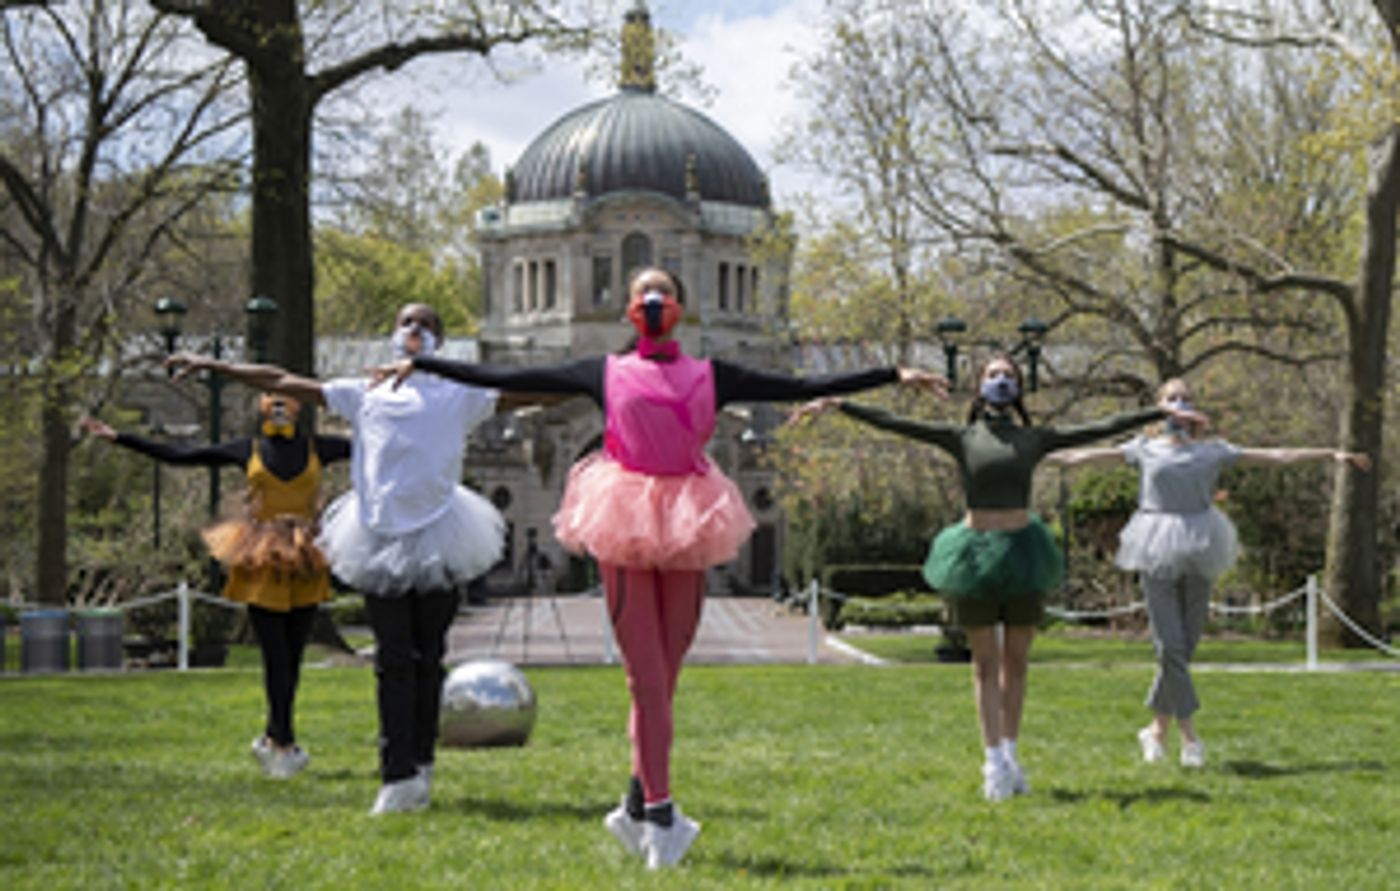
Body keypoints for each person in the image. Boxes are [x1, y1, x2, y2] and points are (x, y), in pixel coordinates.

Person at [383, 266, 946, 868]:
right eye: (644, 292)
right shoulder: (603, 371)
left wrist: (892, 373)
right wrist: (427, 365)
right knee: (645, 679)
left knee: (665, 680)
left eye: (666, 292)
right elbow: (506, 374)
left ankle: (631, 808)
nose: (654, 301)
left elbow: (802, 384)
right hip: (622, 516)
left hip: (690, 518)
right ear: (630, 308)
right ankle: (661, 819)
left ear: (681, 304)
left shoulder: (713, 374)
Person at [166, 303, 529, 815]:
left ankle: (421, 764)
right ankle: (396, 775)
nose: (415, 330)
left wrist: (605, 377)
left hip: (442, 534)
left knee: (429, 658)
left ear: (441, 342)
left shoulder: (460, 394)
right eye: (406, 321)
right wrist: (215, 366)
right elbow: (281, 378)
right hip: (378, 535)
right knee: (392, 659)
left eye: (427, 325)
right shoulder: (364, 393)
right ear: (392, 334)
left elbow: (533, 389)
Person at [795, 354, 1205, 802]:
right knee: (985, 664)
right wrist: (838, 404)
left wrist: (1158, 412)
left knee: (1018, 664)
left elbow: (1098, 427)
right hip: (973, 557)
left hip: (1023, 555)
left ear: (1020, 387)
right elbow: (895, 422)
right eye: (993, 375)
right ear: (979, 387)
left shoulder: (1034, 438)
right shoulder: (963, 437)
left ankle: (1011, 756)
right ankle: (992, 762)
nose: (1001, 381)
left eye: (1008, 375)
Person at [1045, 377, 1369, 768]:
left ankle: (1156, 730)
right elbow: (1079, 458)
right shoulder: (1143, 449)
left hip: (1203, 542)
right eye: (1172, 398)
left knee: (1186, 644)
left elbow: (1275, 456)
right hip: (1153, 543)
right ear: (1158, 408)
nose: (1180, 404)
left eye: (1186, 398)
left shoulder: (1213, 452)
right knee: (1170, 646)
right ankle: (1189, 737)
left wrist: (1328, 454)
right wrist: (1027, 453)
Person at [81, 394, 350, 779]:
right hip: (262, 554)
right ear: (261, 408)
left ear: (299, 409)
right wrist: (119, 437)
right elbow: (181, 455)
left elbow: (377, 448)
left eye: (285, 403)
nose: (278, 409)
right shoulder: (249, 449)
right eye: (271, 403)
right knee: (274, 655)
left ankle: (274, 737)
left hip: (306, 556)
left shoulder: (318, 447)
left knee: (292, 656)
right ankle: (284, 744)